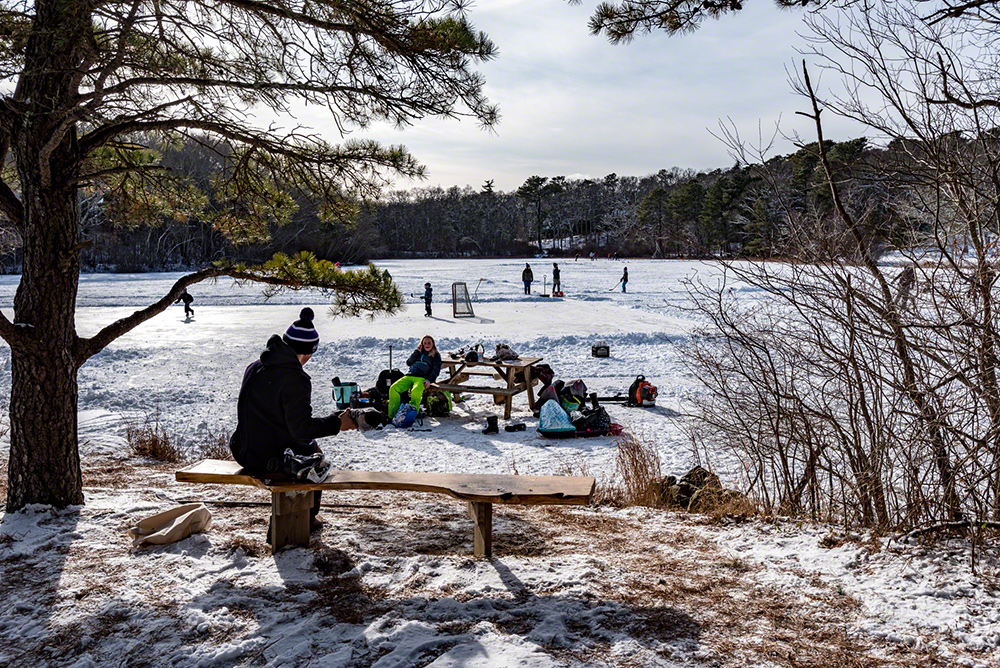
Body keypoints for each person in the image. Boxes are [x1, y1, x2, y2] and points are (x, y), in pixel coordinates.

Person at [229, 308, 358, 528]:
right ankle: (301, 521)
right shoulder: (295, 378)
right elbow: (301, 429)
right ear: (307, 353)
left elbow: (274, 418)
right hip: (266, 458)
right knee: (315, 458)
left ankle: (301, 517)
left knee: (308, 446)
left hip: (242, 448)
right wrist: (338, 423)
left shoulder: (256, 366)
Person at [387, 335, 443, 419]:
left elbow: (436, 370)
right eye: (425, 343)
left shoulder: (436, 355)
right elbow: (409, 362)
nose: (427, 344)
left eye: (429, 343)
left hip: (422, 378)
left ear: (433, 344)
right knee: (393, 388)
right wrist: (416, 351)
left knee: (416, 391)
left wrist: (429, 380)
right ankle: (392, 416)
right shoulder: (418, 353)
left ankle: (411, 415)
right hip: (409, 376)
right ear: (422, 344)